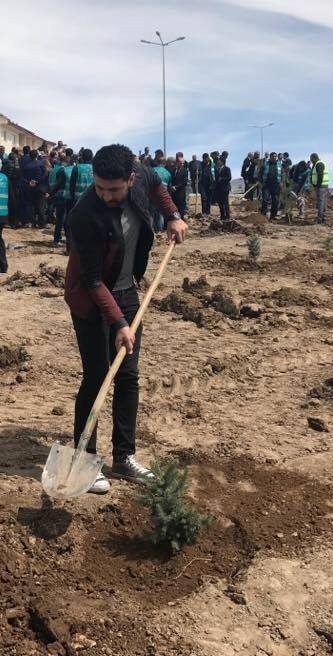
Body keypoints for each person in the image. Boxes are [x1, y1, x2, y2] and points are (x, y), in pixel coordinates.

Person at [64, 144, 188, 493]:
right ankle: (85, 459)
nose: (105, 195)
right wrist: (119, 323)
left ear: (130, 178)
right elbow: (91, 281)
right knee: (97, 376)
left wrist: (174, 215)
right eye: (100, 187)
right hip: (89, 300)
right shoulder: (84, 215)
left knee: (129, 374)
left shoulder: (141, 175)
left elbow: (158, 188)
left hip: (128, 291)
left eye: (114, 190)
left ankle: (123, 457)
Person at [50, 148, 74, 248]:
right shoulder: (73, 170)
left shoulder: (62, 170)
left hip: (61, 196)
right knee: (67, 219)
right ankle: (67, 239)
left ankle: (57, 239)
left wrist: (50, 193)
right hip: (69, 197)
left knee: (60, 218)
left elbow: (58, 184)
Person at [260, 152, 281, 219]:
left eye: (275, 156)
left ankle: (273, 216)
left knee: (275, 201)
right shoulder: (265, 164)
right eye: (273, 156)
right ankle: (263, 215)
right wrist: (260, 182)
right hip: (266, 185)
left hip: (276, 186)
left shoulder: (279, 165)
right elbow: (260, 174)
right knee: (265, 199)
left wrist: (282, 183)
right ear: (270, 157)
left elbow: (282, 174)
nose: (274, 157)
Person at [309, 153, 328, 224]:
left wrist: (317, 185)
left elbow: (320, 175)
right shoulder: (317, 164)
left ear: (314, 158)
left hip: (321, 186)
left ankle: (320, 219)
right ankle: (322, 217)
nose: (310, 160)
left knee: (321, 202)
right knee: (322, 202)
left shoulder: (319, 164)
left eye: (311, 159)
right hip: (322, 186)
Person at [212, 155, 232, 220]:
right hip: (218, 189)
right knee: (220, 203)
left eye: (219, 161)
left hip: (225, 188)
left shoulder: (227, 168)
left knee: (225, 203)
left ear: (222, 162)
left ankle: (227, 216)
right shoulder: (217, 169)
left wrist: (222, 179)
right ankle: (222, 215)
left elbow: (229, 177)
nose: (218, 162)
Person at [170, 152, 189, 217]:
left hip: (180, 192)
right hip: (173, 192)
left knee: (181, 208)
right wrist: (171, 186)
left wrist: (176, 187)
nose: (182, 164)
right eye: (180, 163)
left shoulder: (185, 171)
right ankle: (175, 221)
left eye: (183, 163)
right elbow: (171, 179)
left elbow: (184, 182)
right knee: (174, 208)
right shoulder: (173, 170)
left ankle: (181, 221)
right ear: (177, 163)